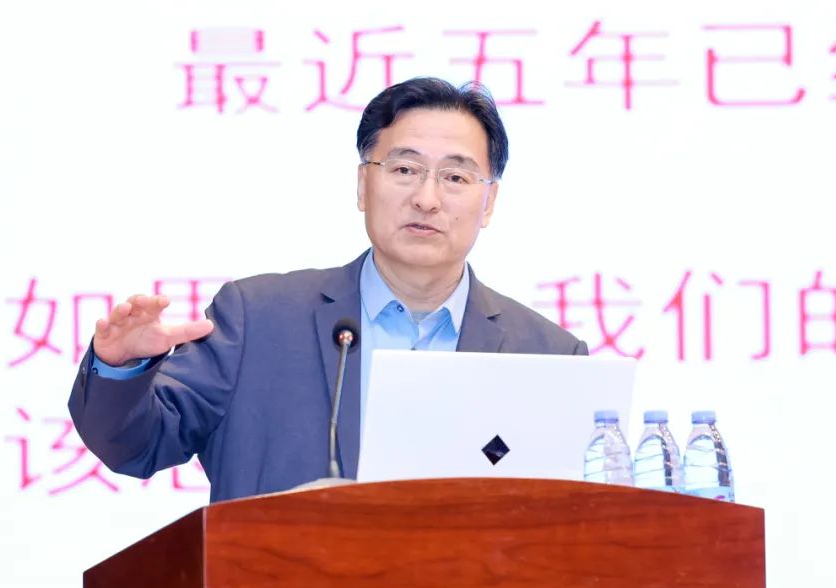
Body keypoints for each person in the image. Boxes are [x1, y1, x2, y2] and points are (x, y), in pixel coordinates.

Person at [68, 77, 588, 501]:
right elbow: (136, 444)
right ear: (363, 185)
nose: (427, 198)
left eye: (455, 178)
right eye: (404, 169)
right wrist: (121, 370)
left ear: (488, 202)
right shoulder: (258, 320)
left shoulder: (548, 356)